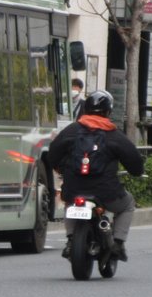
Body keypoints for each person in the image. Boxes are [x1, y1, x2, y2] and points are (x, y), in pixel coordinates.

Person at [49, 90, 145, 262]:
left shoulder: (71, 131)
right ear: (108, 111)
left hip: (74, 188)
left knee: (70, 202)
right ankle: (118, 243)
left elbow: (52, 155)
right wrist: (137, 171)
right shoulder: (114, 135)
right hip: (107, 192)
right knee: (128, 204)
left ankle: (71, 241)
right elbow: (135, 163)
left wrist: (63, 169)